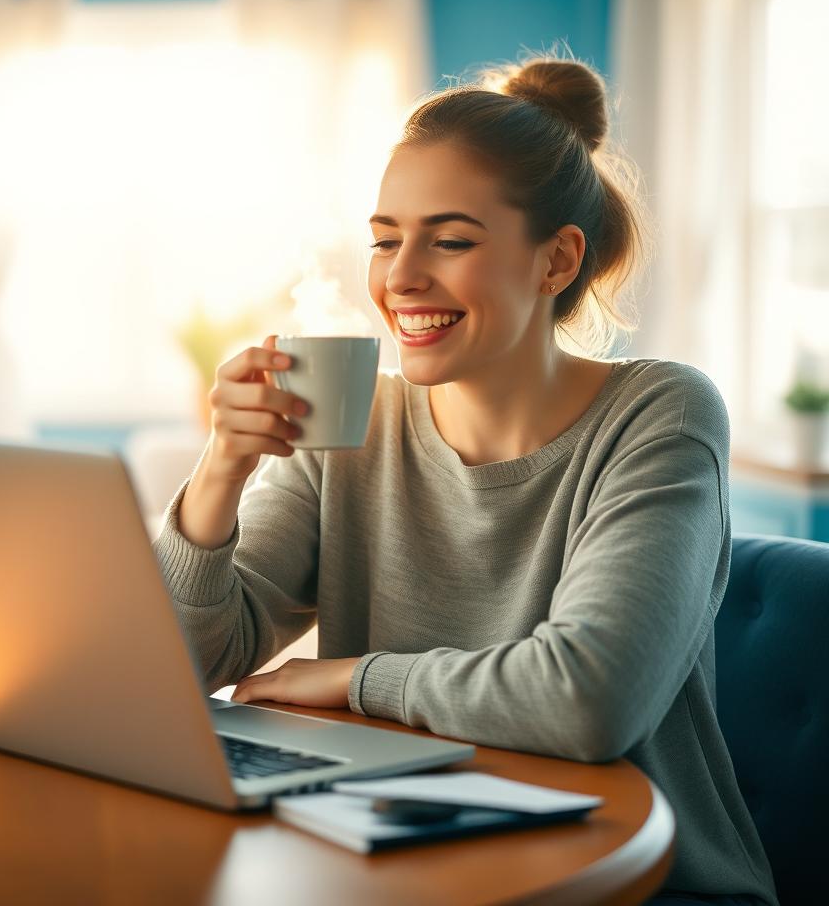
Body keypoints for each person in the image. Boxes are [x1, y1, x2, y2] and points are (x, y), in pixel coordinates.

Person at [152, 56, 778, 905]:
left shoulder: (659, 415)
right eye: (384, 239)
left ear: (556, 261)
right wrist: (221, 468)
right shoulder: (351, 422)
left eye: (449, 240)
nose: (401, 276)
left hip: (640, 881)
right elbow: (185, 664)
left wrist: (349, 676)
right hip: (405, 857)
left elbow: (587, 701)